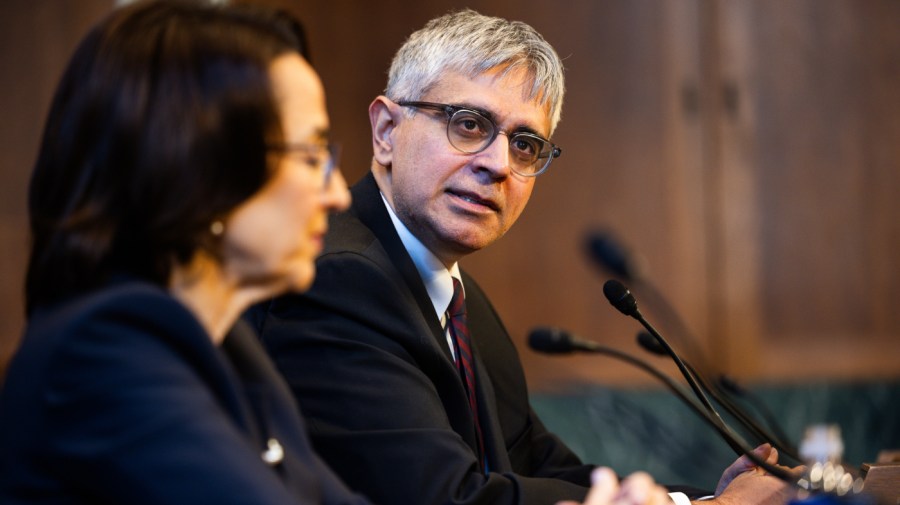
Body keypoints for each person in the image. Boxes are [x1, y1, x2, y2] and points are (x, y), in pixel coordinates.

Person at [248, 8, 797, 505]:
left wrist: (698, 502)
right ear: (387, 131)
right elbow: (447, 497)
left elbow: (543, 466)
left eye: (525, 144)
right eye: (469, 124)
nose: (499, 165)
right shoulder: (340, 280)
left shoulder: (457, 299)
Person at [0, 1, 369, 503]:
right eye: (311, 156)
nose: (338, 194)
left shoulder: (228, 345)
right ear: (202, 171)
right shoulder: (98, 355)